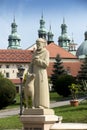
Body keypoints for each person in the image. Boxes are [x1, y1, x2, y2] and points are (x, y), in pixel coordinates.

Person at [28, 38, 50, 108]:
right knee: (35, 89)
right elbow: (31, 64)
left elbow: (46, 64)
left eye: (39, 44)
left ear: (43, 44)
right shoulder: (34, 53)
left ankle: (43, 105)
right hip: (34, 74)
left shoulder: (46, 52)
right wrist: (30, 72)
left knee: (41, 89)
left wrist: (38, 60)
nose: (37, 45)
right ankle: (35, 105)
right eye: (37, 44)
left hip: (41, 73)